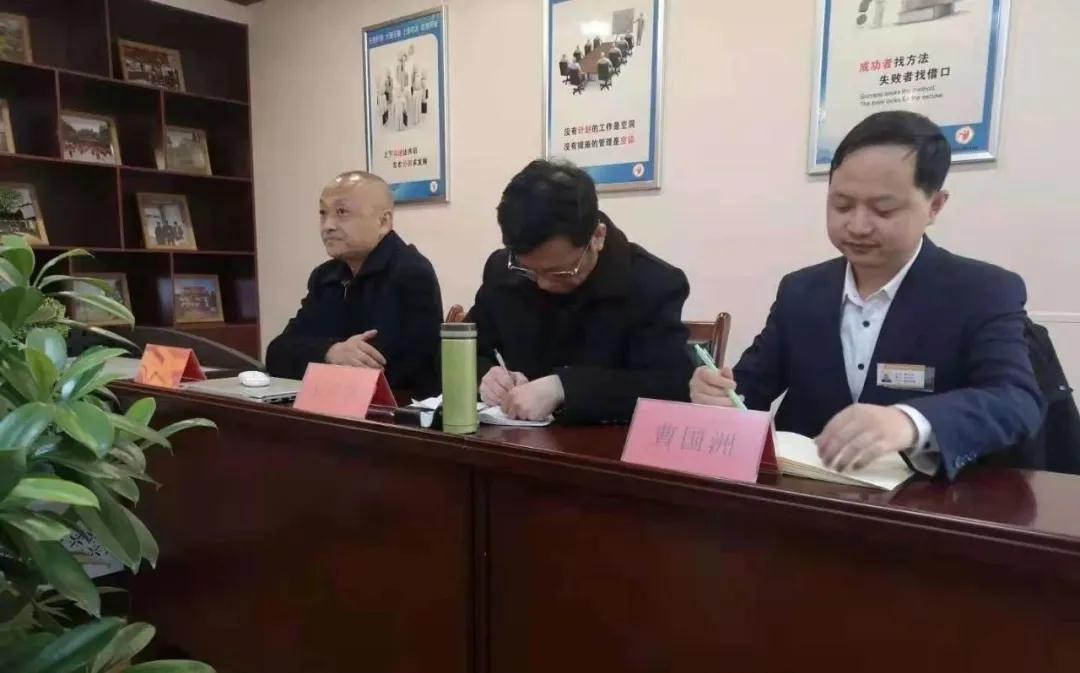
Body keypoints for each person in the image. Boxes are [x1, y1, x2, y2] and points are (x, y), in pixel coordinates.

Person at [689, 111, 1043, 480]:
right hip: (803, 495)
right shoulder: (801, 291)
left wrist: (910, 421)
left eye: (883, 210)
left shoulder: (981, 291)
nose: (857, 226)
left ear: (935, 206)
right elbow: (748, 389)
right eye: (842, 205)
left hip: (924, 503)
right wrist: (717, 395)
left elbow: (1016, 400)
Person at [469, 160, 694, 424]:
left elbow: (669, 385)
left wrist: (564, 387)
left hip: (601, 445)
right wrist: (486, 375)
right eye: (529, 270)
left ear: (597, 237)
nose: (542, 284)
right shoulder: (504, 271)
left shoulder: (653, 284)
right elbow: (464, 347)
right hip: (509, 441)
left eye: (559, 272)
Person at [266, 171, 443, 394]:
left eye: (342, 212)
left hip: (395, 410)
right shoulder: (325, 277)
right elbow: (277, 352)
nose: (328, 225)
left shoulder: (411, 273)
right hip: (331, 402)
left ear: (383, 222)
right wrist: (330, 352)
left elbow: (386, 367)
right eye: (323, 213)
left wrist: (317, 355)